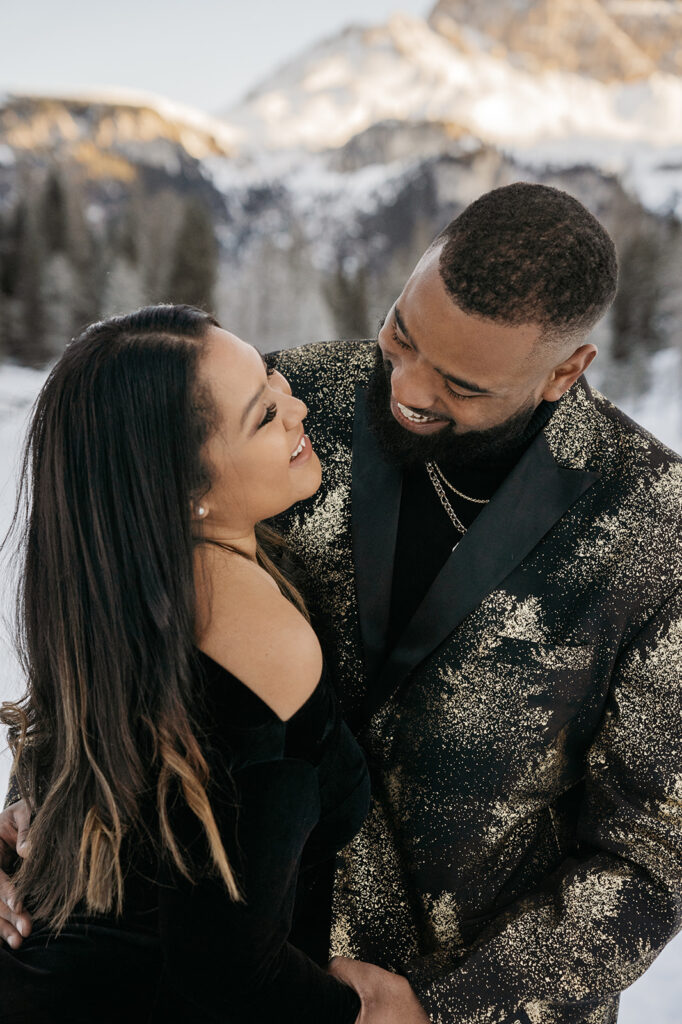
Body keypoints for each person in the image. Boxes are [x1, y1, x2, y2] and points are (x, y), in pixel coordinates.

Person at [3, 182, 682, 1023]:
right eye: (402, 334)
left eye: (462, 385)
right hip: (235, 986)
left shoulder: (657, 526)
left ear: (565, 371)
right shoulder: (287, 401)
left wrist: (440, 1009)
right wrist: (32, 829)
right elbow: (111, 600)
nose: (410, 387)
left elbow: (651, 853)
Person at [0, 304, 377, 1023]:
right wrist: (362, 1014)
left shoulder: (116, 587)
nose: (298, 407)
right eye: (265, 416)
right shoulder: (256, 633)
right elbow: (227, 968)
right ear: (186, 488)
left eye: (274, 378)